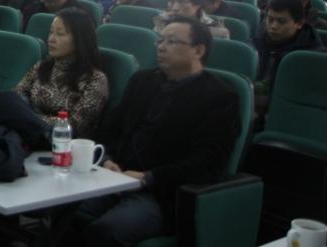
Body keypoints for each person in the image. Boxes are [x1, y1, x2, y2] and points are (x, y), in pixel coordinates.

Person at [65, 16, 240, 246]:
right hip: (116, 176)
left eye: (171, 41)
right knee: (64, 210)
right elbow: (110, 127)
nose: (161, 47)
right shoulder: (142, 81)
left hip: (162, 193)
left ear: (198, 50)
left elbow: (208, 163)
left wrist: (148, 178)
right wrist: (107, 158)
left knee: (108, 230)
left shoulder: (220, 98)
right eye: (160, 40)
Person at [16, 8, 109, 139]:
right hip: (23, 131)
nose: (51, 39)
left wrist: (27, 117)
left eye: (60, 34)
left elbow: (74, 126)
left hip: (59, 143)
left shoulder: (95, 80)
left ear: (79, 39)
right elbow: (17, 95)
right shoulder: (41, 67)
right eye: (51, 32)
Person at [254, 0, 327, 92]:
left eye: (281, 22)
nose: (274, 26)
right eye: (270, 20)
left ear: (299, 24)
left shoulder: (314, 56)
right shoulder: (256, 43)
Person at [154, 0, 230, 39]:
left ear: (197, 5)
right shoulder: (163, 21)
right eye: (171, 1)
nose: (175, 8)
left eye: (181, 2)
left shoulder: (216, 31)